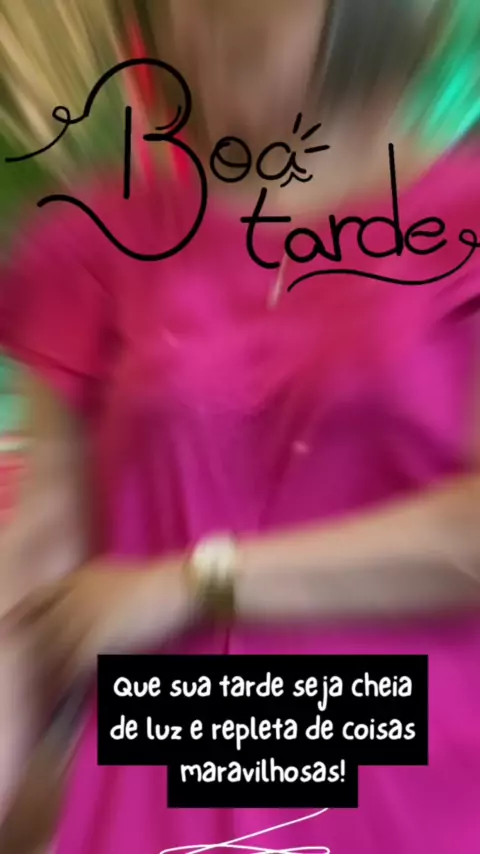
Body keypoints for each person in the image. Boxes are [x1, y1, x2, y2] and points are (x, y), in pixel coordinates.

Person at [1, 1, 480, 852]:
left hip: (424, 800)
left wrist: (194, 582)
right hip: (161, 799)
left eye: (230, 8)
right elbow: (38, 563)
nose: (189, 30)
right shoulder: (98, 242)